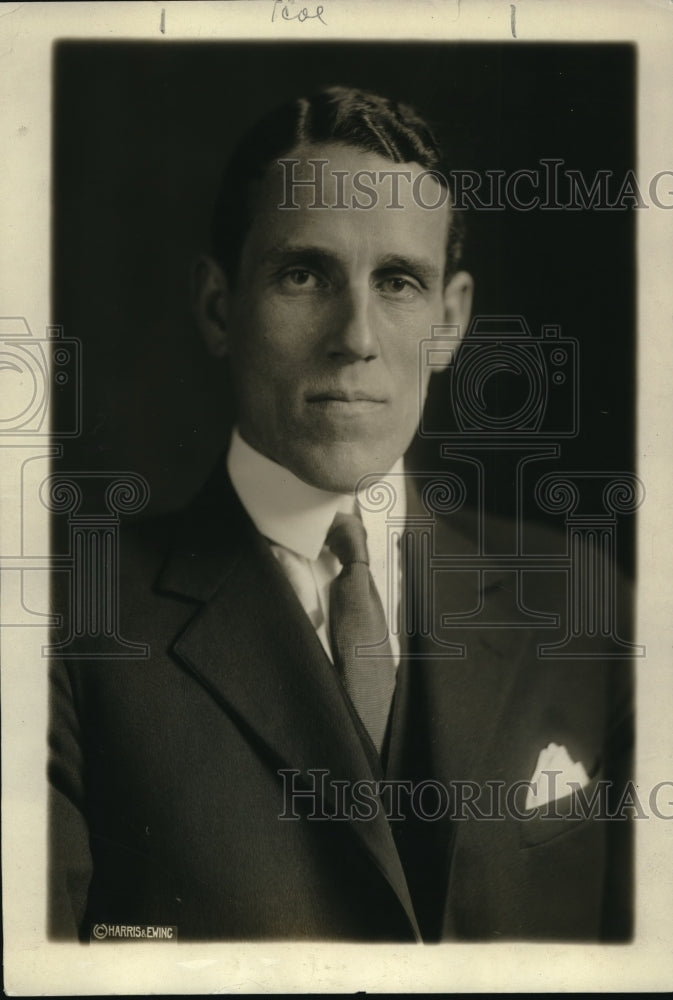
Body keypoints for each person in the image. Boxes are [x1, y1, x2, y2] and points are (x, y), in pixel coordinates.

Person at [48, 87, 633, 942]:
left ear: (449, 320)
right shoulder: (67, 626)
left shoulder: (583, 602)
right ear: (218, 306)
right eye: (302, 275)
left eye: (397, 282)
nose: (355, 335)